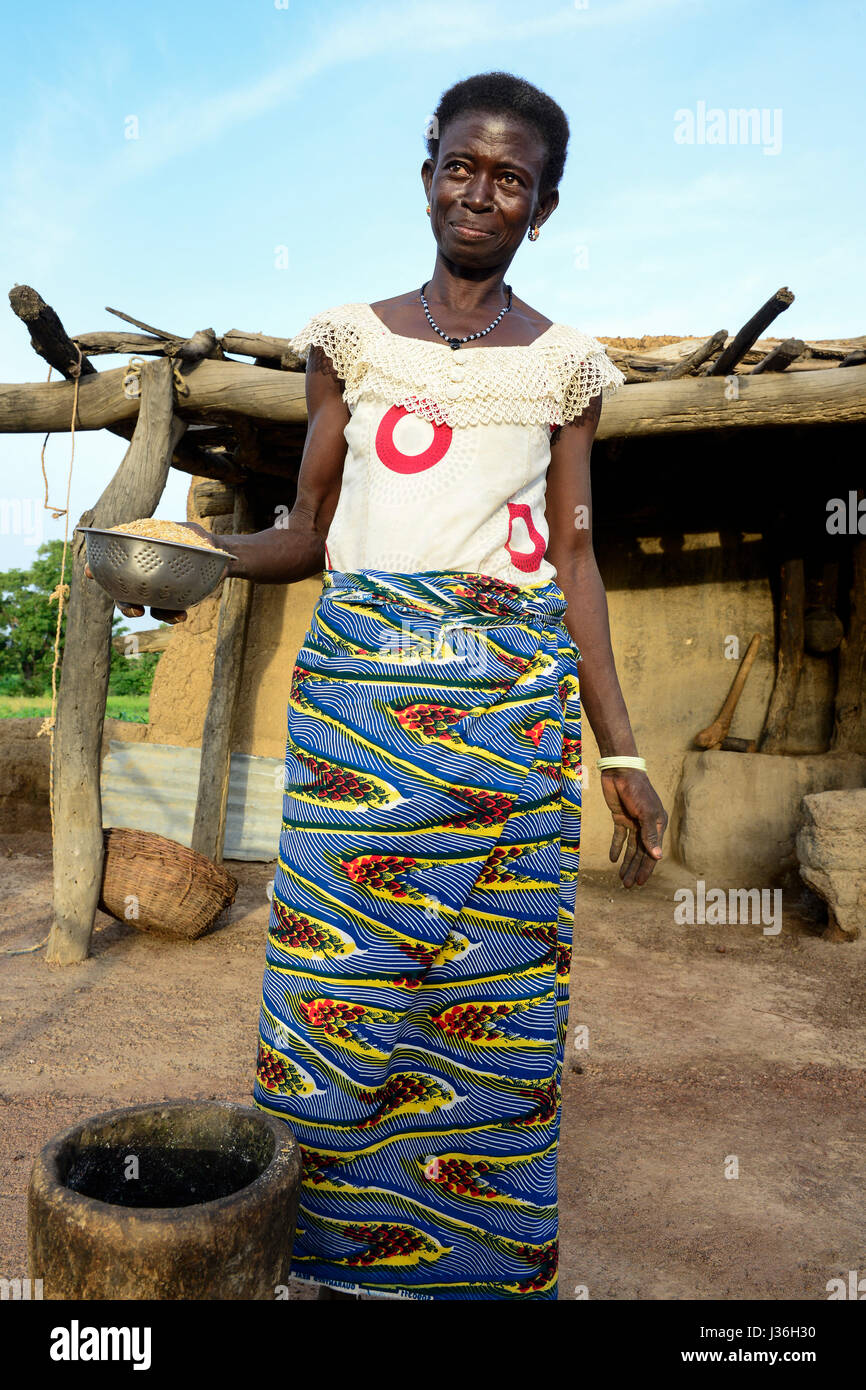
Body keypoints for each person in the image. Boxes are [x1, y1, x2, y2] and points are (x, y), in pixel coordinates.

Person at [107, 71, 667, 1300]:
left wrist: (619, 758)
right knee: (332, 988)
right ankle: (323, 1261)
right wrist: (194, 558)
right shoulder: (348, 342)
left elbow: (572, 556)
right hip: (360, 713)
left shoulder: (568, 365)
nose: (480, 190)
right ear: (425, 174)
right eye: (462, 165)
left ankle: (476, 1268)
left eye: (509, 177)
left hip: (509, 720)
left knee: (494, 999)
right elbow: (304, 533)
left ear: (545, 206)